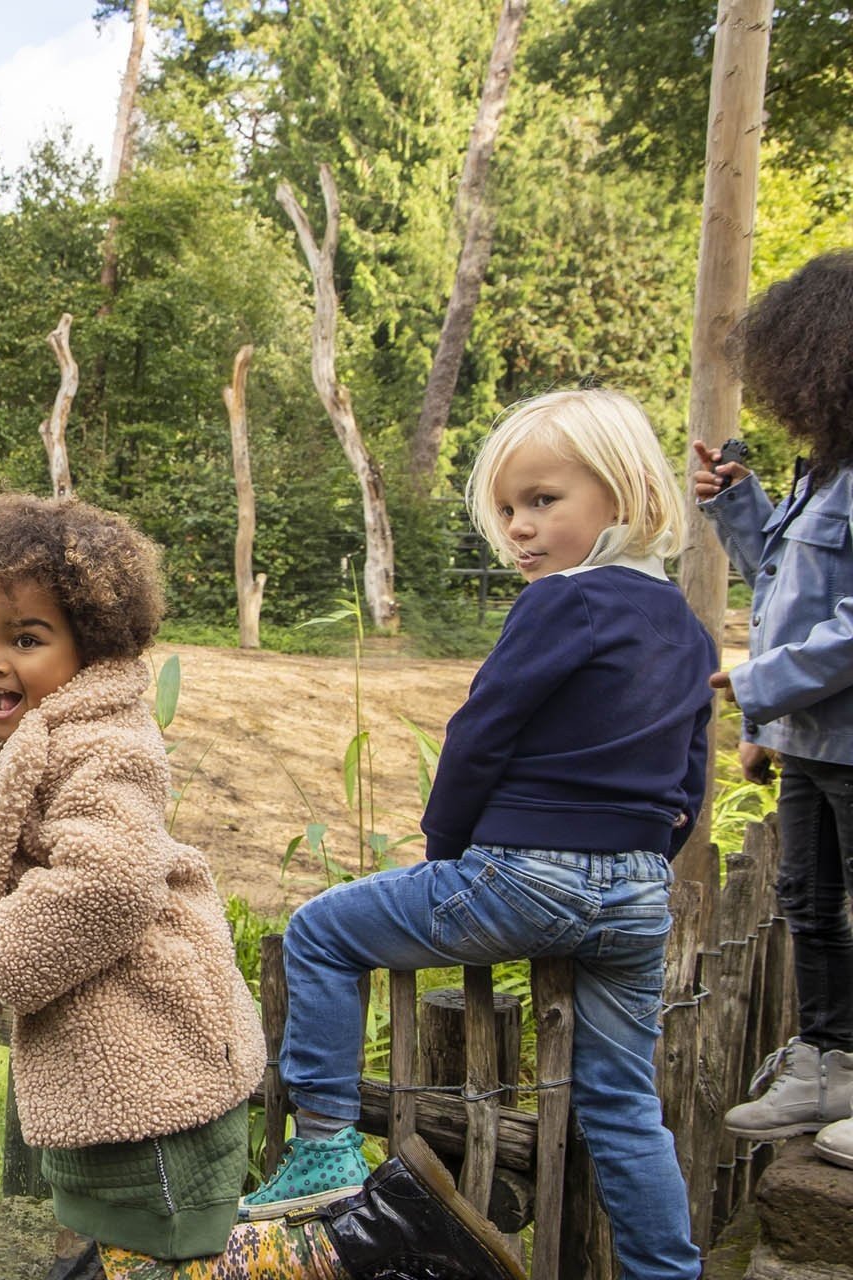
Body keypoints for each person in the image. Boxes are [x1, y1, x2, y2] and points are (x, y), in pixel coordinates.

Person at [0, 494, 523, 1280]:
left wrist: (0, 957)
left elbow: (109, 881)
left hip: (148, 1058)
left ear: (89, 647)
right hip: (103, 1070)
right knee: (118, 1237)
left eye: (26, 638)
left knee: (170, 1252)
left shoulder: (109, 747)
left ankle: (373, 1241)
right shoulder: (38, 725)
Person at [241, 389, 710, 1280]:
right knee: (621, 1105)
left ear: (626, 494)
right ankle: (669, 1273)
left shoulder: (558, 605)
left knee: (322, 931)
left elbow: (481, 732)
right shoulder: (685, 628)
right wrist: (641, 867)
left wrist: (449, 844)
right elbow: (690, 772)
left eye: (543, 501)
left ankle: (328, 1148)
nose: (520, 528)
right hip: (640, 888)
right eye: (506, 509)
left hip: (525, 873)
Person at [694, 249, 853, 1171]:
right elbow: (783, 593)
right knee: (807, 901)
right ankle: (831, 1062)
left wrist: (757, 686)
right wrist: (743, 509)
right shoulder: (819, 476)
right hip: (813, 740)